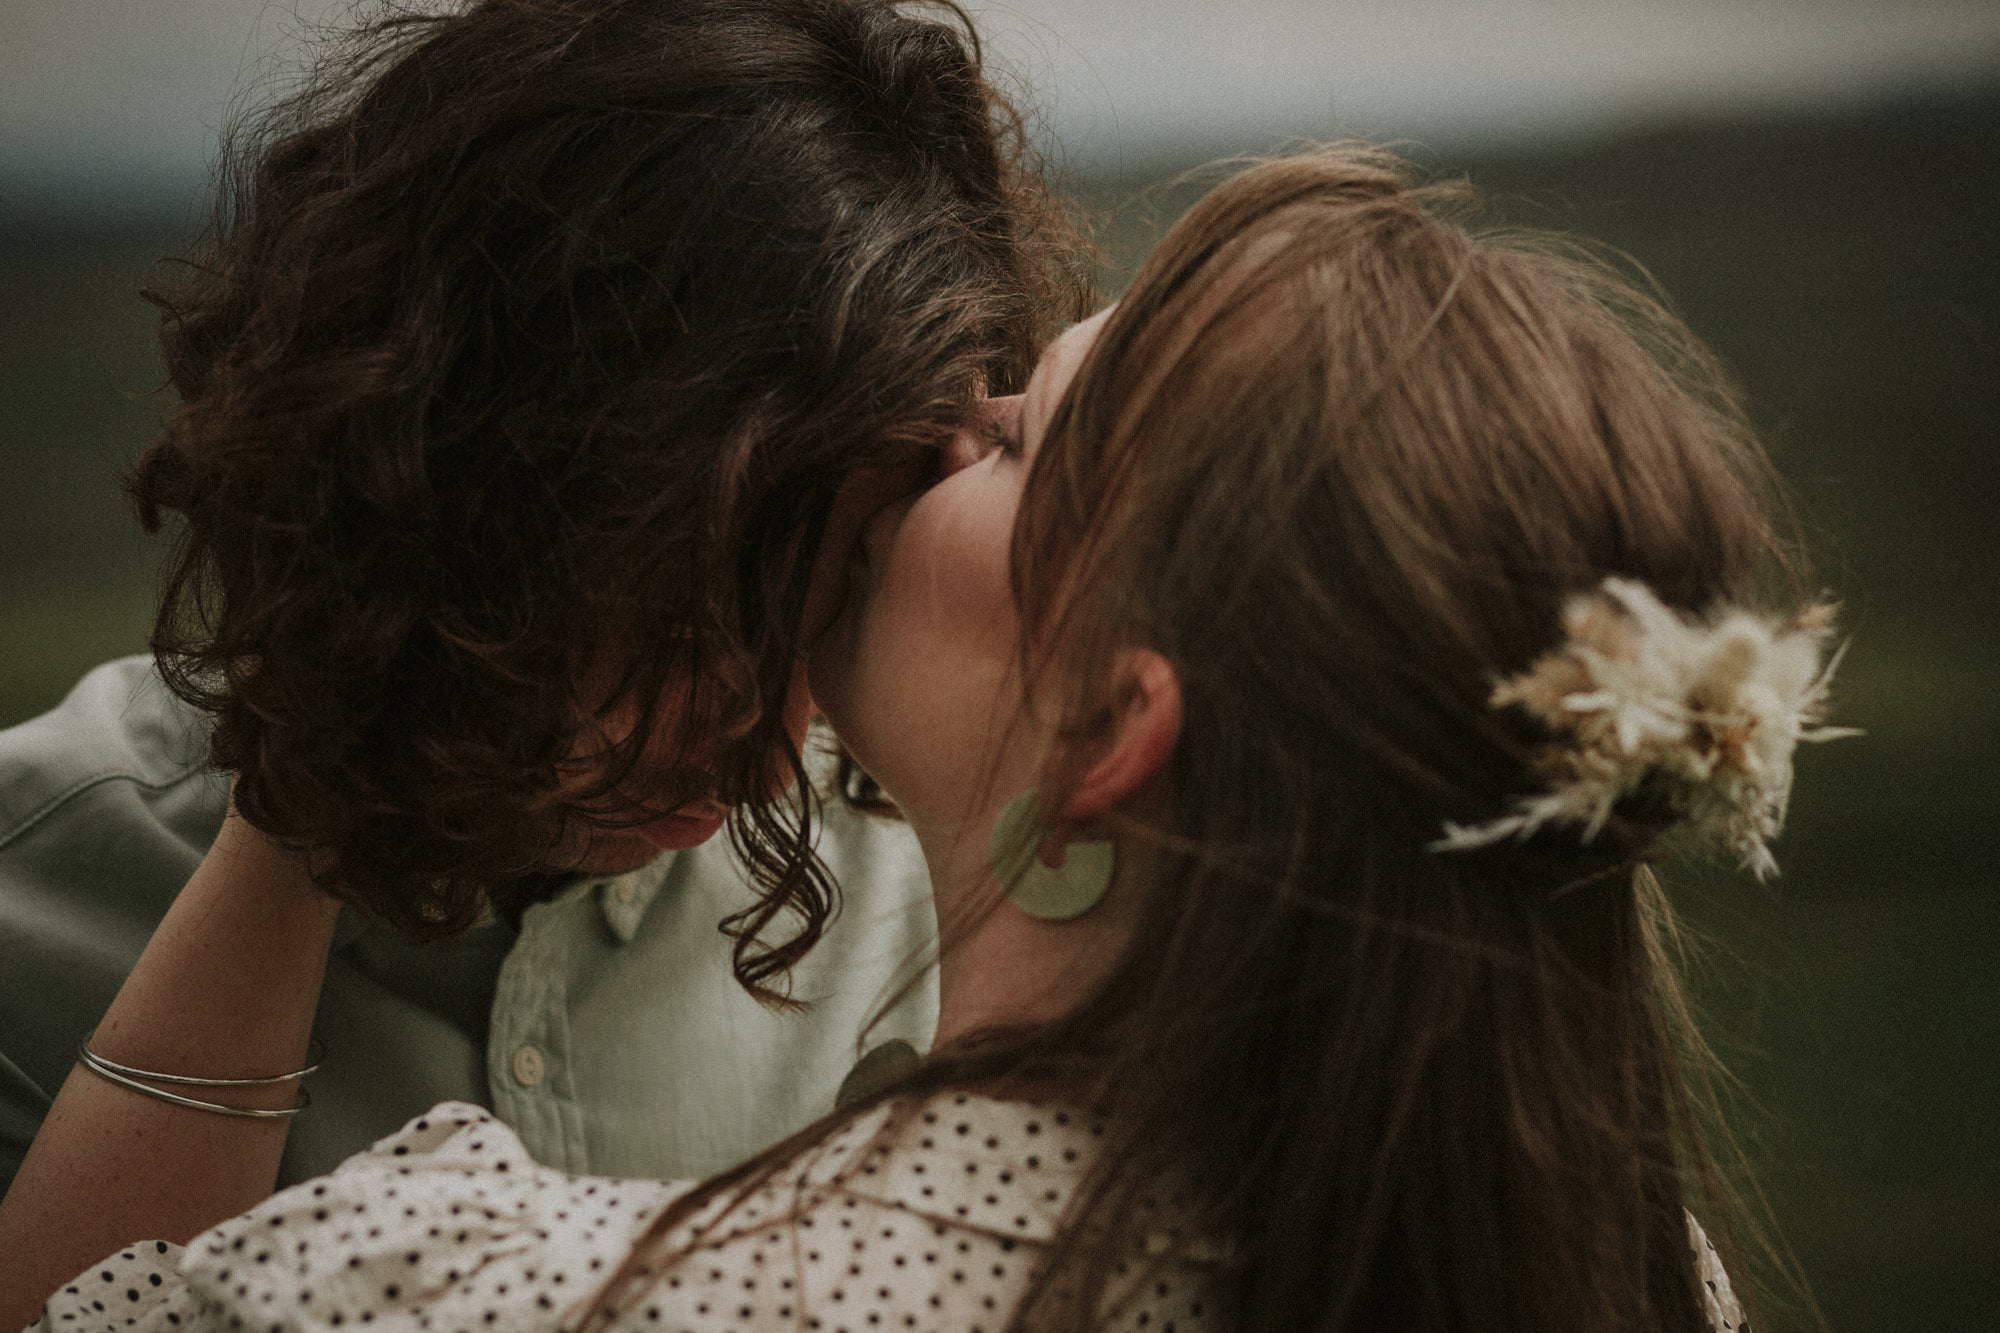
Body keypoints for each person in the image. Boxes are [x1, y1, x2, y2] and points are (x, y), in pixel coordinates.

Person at [19, 143, 1851, 1331]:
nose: (943, 427)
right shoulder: (1630, 1280)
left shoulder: (499, 1296)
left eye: (1020, 441)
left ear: (1112, 726)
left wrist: (310, 760)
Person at [0, 0, 1088, 1313]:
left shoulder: (945, 892)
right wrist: (314, 787)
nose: (759, 765)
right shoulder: (37, 884)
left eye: (829, 611)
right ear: (446, 491)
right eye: (679, 628)